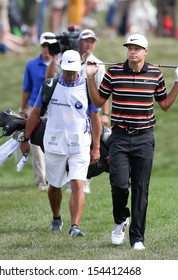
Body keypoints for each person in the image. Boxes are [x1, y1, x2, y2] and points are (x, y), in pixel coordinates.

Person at [86, 34, 178, 250]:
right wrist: (90, 77)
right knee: (119, 185)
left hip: (144, 138)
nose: (132, 51)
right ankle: (120, 220)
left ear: (145, 52)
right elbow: (97, 101)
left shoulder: (155, 74)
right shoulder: (114, 72)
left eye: (137, 48)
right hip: (120, 137)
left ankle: (137, 238)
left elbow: (165, 104)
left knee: (141, 188)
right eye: (129, 48)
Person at [20, 49, 101, 237]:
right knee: (54, 185)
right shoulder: (49, 85)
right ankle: (57, 217)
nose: (71, 74)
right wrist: (25, 137)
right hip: (55, 143)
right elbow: (35, 112)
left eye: (74, 70)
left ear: (80, 67)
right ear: (61, 67)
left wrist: (96, 147)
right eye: (67, 70)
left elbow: (95, 118)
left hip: (80, 143)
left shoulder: (88, 88)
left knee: (77, 183)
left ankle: (75, 226)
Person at [46, 28, 108, 194]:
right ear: (79, 41)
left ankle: (83, 181)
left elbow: (104, 92)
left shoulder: (98, 64)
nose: (89, 44)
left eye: (92, 41)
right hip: (65, 110)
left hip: (88, 111)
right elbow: (50, 79)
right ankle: (69, 179)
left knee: (85, 145)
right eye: (86, 40)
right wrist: (53, 58)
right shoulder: (65, 59)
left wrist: (105, 114)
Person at [18, 32, 57, 191]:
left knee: (53, 145)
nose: (46, 48)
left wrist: (55, 59)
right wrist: (22, 109)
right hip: (35, 108)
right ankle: (42, 181)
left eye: (50, 45)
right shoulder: (31, 64)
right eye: (44, 45)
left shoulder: (61, 63)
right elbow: (26, 89)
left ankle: (54, 179)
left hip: (54, 109)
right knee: (36, 146)